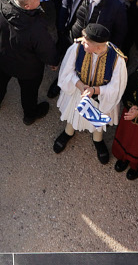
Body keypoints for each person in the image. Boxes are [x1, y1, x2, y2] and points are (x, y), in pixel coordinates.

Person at [52, 23, 127, 161]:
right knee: (74, 112)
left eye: (86, 43)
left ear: (98, 47)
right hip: (78, 90)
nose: (82, 42)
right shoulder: (77, 48)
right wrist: (80, 86)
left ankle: (97, 139)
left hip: (102, 96)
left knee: (97, 117)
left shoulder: (117, 59)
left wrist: (95, 90)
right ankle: (69, 131)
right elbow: (66, 71)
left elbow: (117, 86)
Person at [0, 0, 59, 122]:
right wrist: (54, 61)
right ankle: (29, 115)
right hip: (28, 69)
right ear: (27, 6)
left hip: (3, 59)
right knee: (29, 92)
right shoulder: (36, 27)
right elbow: (47, 49)